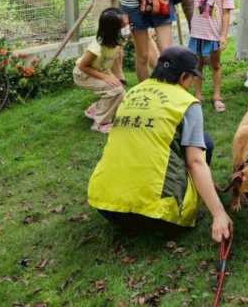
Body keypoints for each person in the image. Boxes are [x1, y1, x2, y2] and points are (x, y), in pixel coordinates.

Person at [87, 46, 233, 243]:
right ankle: (184, 208)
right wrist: (219, 213)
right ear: (183, 76)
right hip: (160, 218)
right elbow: (195, 162)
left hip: (106, 207)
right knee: (203, 142)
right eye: (192, 78)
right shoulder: (186, 102)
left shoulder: (132, 93)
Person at [185, 0, 235, 112]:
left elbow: (226, 13)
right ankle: (197, 95)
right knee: (196, 65)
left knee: (215, 64)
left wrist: (224, 36)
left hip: (214, 35)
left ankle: (217, 96)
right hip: (197, 34)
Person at [73, 7, 130, 133]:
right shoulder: (96, 48)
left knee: (121, 94)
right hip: (83, 74)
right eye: (123, 26)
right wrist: (106, 77)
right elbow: (83, 66)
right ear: (111, 30)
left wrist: (116, 74)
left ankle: (94, 110)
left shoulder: (118, 40)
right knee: (115, 90)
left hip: (100, 71)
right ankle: (100, 123)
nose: (127, 28)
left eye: (127, 24)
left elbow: (118, 54)